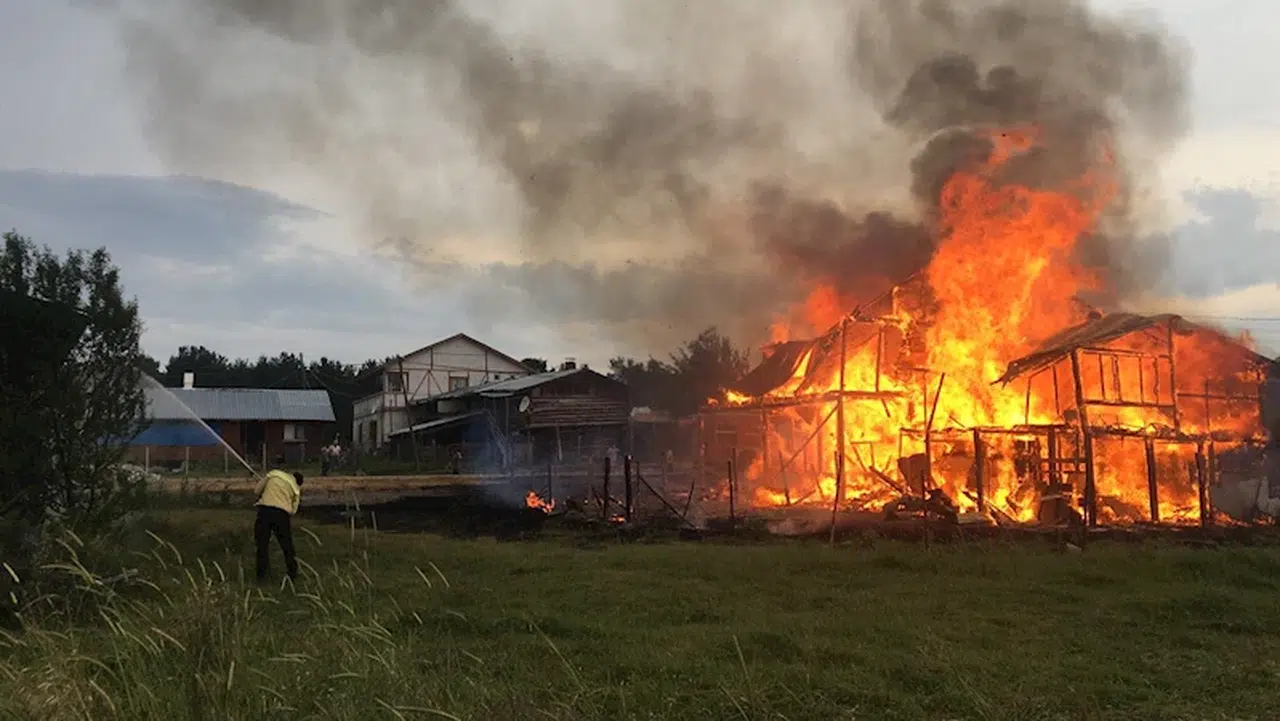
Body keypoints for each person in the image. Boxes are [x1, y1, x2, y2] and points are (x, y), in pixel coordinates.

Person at [253, 469, 303, 584]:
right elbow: (293, 510)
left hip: (264, 512)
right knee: (287, 545)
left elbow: (256, 491)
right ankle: (292, 572)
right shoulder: (295, 489)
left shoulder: (273, 475)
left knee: (262, 545)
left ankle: (261, 576)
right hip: (281, 515)